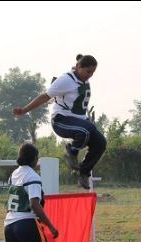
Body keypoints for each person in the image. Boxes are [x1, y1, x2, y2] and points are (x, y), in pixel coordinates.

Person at [12, 54, 107, 190]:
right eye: (88, 71)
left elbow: (78, 99)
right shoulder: (65, 80)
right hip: (61, 120)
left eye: (93, 72)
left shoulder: (81, 76)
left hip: (79, 121)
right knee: (86, 130)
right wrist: (25, 110)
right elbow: (45, 96)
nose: (90, 75)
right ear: (79, 67)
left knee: (100, 143)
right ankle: (71, 151)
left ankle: (83, 172)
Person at [4, 143, 59, 242]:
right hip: (27, 223)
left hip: (9, 225)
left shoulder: (14, 174)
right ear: (35, 159)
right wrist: (50, 226)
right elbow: (34, 203)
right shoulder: (32, 176)